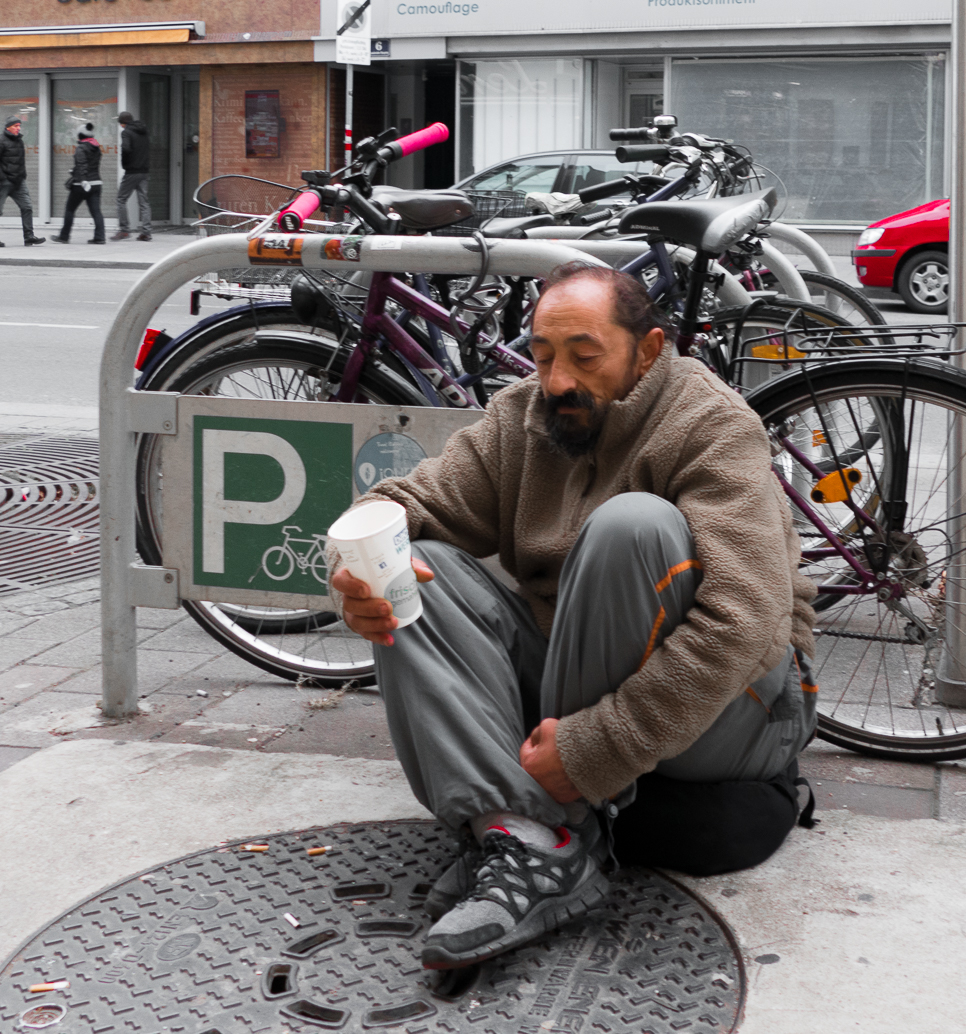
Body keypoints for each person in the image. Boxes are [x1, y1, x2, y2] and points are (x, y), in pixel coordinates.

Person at [327, 262, 818, 972]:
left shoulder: (710, 424)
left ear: (646, 352)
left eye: (584, 357)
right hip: (581, 680)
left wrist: (598, 748)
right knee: (414, 571)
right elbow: (417, 500)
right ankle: (535, 842)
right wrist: (353, 560)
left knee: (634, 528)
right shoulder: (527, 414)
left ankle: (547, 820)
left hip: (746, 708)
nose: (557, 380)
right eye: (543, 354)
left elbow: (743, 623)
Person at [51, 123, 105, 245]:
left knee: (70, 209)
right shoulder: (96, 147)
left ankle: (64, 236)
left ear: (80, 135)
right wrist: (75, 171)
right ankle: (100, 237)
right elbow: (90, 165)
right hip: (96, 183)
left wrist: (83, 180)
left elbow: (82, 165)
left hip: (81, 185)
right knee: (96, 211)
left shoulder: (81, 148)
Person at [0, 116, 45, 247]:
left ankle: (29, 237)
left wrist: (22, 175)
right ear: (8, 127)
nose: (18, 128)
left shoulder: (19, 141)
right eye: (15, 126)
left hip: (19, 182)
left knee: (27, 207)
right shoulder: (1, 140)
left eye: (19, 126)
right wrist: (3, 178)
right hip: (4, 182)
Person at [111, 110, 152, 241]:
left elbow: (126, 149)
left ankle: (124, 230)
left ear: (123, 123)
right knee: (144, 202)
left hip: (132, 172)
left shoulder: (126, 132)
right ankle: (146, 232)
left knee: (121, 199)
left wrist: (125, 164)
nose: (121, 127)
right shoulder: (144, 131)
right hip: (144, 171)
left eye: (121, 124)